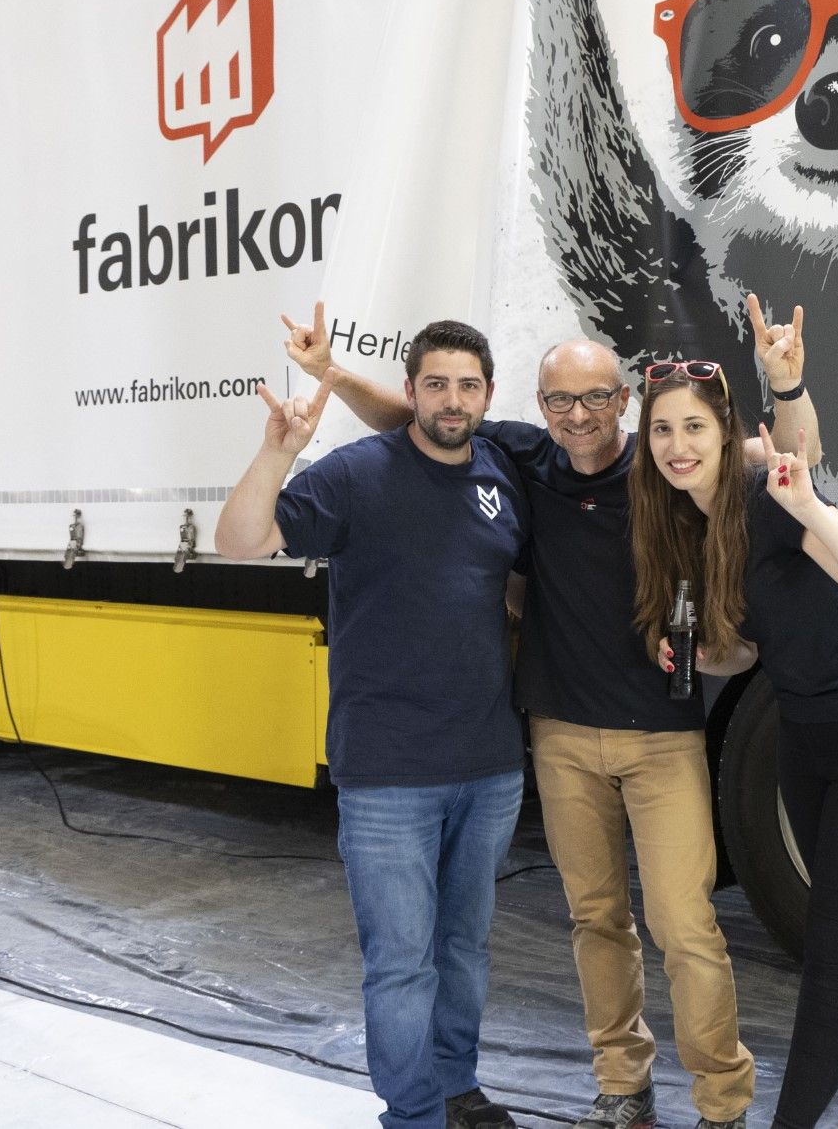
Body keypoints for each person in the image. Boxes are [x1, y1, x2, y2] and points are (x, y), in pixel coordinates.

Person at [282, 298, 819, 1129]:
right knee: (597, 920)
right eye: (560, 401)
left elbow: (792, 461)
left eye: (596, 398)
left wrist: (787, 387)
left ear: (623, 403)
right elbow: (424, 416)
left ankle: (722, 1104)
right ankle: (623, 1088)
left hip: (661, 738)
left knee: (685, 926)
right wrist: (333, 376)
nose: (579, 417)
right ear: (537, 407)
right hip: (559, 736)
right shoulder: (525, 456)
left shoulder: (670, 464)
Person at [214, 320, 530, 1129]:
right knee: (399, 965)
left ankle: (456, 1085)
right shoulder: (358, 475)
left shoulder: (504, 471)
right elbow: (240, 539)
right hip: (388, 774)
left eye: (467, 386)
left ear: (488, 396)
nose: (452, 400)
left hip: (489, 767)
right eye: (435, 384)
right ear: (411, 391)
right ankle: (414, 1114)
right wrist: (280, 450)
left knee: (464, 951)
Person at [629, 363, 838, 1129]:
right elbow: (746, 649)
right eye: (662, 429)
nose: (677, 445)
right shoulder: (685, 524)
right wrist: (703, 655)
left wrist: (808, 505)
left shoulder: (768, 497)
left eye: (694, 427)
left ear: (725, 431)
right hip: (807, 737)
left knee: (833, 953)